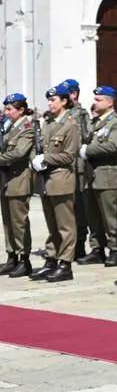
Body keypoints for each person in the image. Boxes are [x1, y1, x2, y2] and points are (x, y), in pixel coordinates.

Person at [30, 84, 80, 283]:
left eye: (53, 100)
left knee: (65, 225)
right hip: (46, 180)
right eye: (49, 100)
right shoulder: (49, 123)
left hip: (61, 179)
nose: (50, 103)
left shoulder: (70, 124)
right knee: (52, 224)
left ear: (64, 101)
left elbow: (69, 155)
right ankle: (51, 259)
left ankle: (65, 264)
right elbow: (39, 146)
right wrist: (37, 159)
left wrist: (46, 159)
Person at [78, 86, 117, 268]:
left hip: (107, 175)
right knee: (93, 216)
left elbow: (113, 146)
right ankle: (97, 248)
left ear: (110, 102)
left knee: (110, 216)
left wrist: (88, 150)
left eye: (99, 100)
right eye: (95, 99)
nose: (95, 102)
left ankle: (115, 250)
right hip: (91, 175)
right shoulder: (95, 122)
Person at [0, 93, 35, 278]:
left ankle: (24, 259)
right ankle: (11, 256)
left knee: (19, 221)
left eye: (9, 109)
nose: (6, 112)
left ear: (21, 110)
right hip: (6, 180)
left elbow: (19, 152)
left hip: (18, 178)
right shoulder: (8, 126)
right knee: (7, 221)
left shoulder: (26, 127)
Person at [62, 79, 92, 261]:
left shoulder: (81, 114)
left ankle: (79, 243)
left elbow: (87, 135)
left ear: (73, 94)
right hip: (63, 166)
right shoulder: (59, 114)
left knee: (79, 207)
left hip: (78, 167)